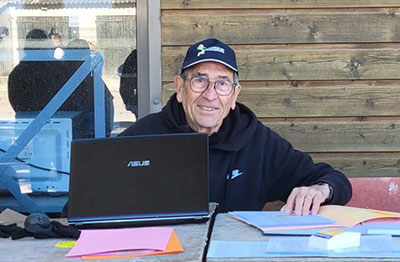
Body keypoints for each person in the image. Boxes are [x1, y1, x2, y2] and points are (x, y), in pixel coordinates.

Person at [119, 38, 352, 215]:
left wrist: (320, 190)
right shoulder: (143, 137)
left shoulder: (257, 141)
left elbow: (334, 180)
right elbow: (92, 196)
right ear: (180, 89)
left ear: (234, 95)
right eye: (199, 80)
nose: (210, 94)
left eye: (222, 83)